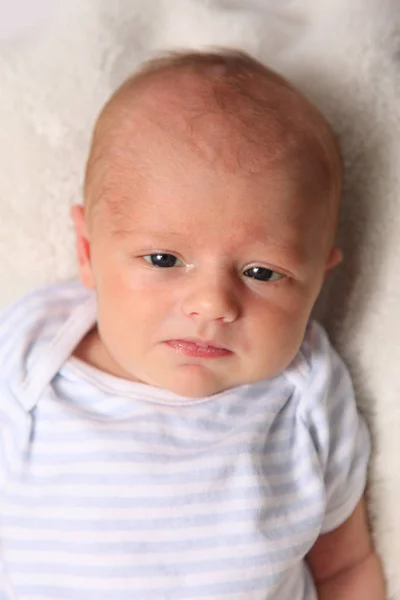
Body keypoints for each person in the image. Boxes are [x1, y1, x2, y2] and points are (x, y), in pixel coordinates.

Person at [0, 50, 385, 599]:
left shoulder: (306, 394)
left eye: (261, 272)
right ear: (87, 252)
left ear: (318, 277)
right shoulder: (33, 354)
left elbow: (345, 568)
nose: (211, 304)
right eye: (162, 260)